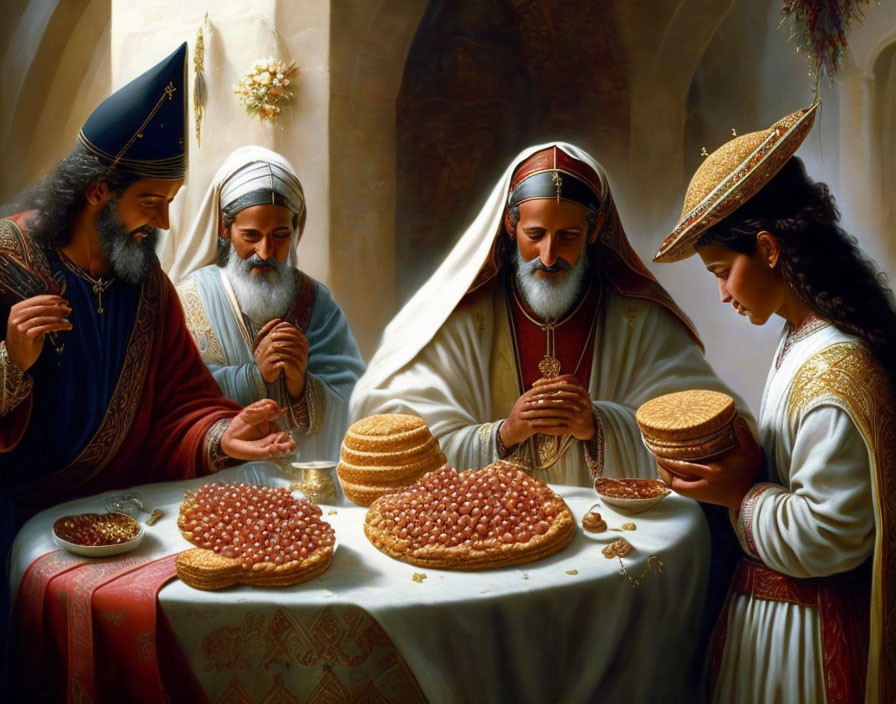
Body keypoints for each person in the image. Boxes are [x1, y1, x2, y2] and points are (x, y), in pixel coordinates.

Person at [0, 44, 295, 672]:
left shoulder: (146, 281)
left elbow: (178, 400)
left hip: (123, 521)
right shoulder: (7, 259)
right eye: (152, 201)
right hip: (13, 517)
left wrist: (222, 434)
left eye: (170, 200)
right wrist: (12, 362)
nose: (162, 220)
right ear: (99, 192)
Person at [652, 101, 896, 703]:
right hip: (775, 616)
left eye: (720, 271)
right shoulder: (800, 334)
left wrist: (737, 492)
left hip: (807, 639)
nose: (720, 294)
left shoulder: (836, 369)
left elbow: (832, 535)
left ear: (766, 248)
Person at [350, 142, 748, 486]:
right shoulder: (464, 318)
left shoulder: (638, 321)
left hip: (609, 529)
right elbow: (394, 436)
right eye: (535, 235)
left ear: (595, 231)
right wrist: (504, 434)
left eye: (568, 237)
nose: (549, 256)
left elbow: (716, 430)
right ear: (511, 226)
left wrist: (598, 427)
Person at [175, 146, 365, 461]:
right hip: (221, 481)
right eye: (250, 235)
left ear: (294, 231)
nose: (265, 252)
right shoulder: (190, 299)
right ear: (225, 229)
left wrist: (302, 385)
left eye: (280, 236)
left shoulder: (314, 301)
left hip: (306, 480)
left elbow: (357, 405)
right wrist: (254, 377)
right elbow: (174, 404)